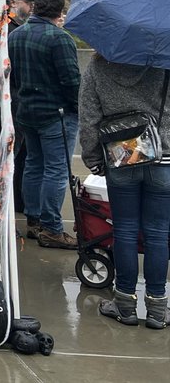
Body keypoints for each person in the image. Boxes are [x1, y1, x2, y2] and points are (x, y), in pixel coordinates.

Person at [79, 54, 170, 329]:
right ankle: (157, 308)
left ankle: (124, 304)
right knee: (157, 233)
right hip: (163, 158)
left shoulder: (99, 64)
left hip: (121, 156)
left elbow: (89, 116)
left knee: (125, 231)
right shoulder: (165, 60)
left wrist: (93, 158)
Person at [10, 0, 81, 249]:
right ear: (60, 12)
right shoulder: (60, 39)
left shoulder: (15, 36)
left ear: (35, 7)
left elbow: (13, 78)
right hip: (56, 114)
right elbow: (72, 81)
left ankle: (34, 221)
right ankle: (52, 228)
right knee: (56, 171)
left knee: (33, 165)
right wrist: (77, 109)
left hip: (27, 111)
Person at [0, 0, 34, 218]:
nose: (30, 8)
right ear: (13, 2)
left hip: (13, 92)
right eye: (27, 3)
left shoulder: (12, 27)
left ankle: (16, 198)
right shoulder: (2, 28)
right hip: (5, 92)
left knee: (19, 149)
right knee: (4, 147)